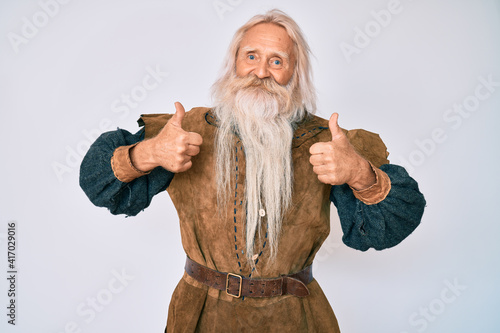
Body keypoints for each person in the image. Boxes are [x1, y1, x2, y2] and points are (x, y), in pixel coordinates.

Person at [80, 9, 425, 333]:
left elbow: (393, 226)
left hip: (296, 318)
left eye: (277, 61)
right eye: (251, 57)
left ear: (295, 73)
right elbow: (97, 183)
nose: (261, 72)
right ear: (234, 63)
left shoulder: (329, 144)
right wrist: (147, 152)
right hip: (201, 316)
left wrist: (360, 174)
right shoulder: (185, 131)